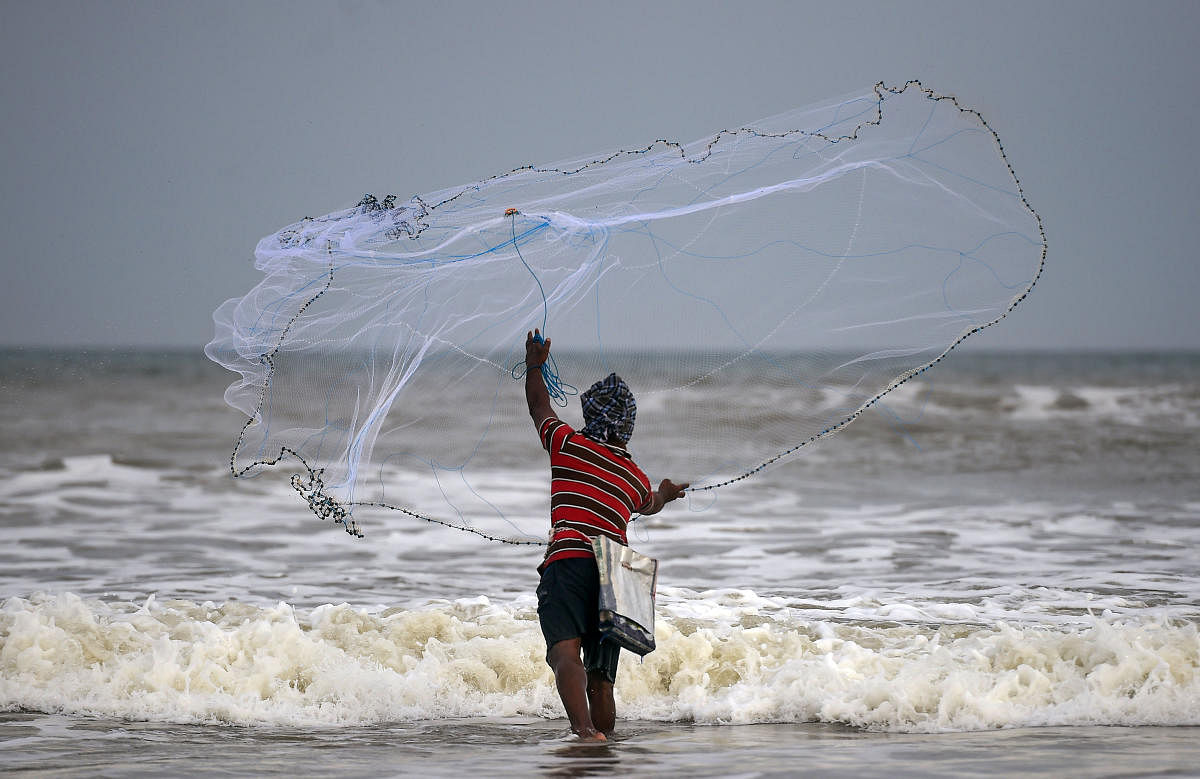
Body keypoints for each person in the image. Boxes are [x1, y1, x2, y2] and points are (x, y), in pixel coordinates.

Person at [524, 329, 688, 741]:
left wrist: (534, 366)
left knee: (565, 652)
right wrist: (666, 495)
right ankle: (603, 740)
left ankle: (582, 731)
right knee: (601, 676)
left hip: (569, 563)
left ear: (591, 417)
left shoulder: (567, 444)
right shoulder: (633, 477)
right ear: (627, 428)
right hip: (612, 576)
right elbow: (648, 503)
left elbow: (538, 406)